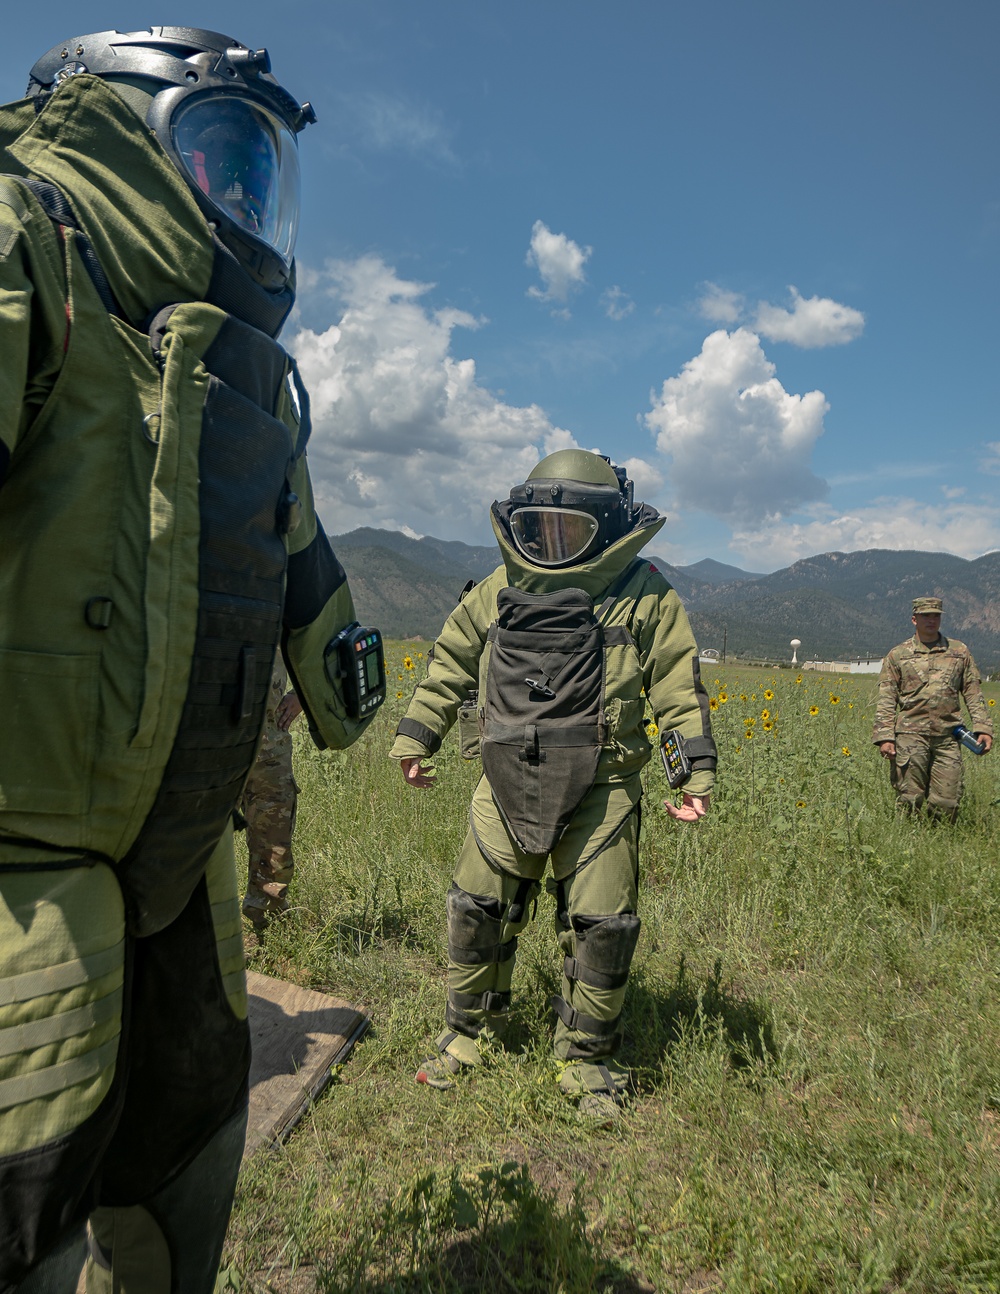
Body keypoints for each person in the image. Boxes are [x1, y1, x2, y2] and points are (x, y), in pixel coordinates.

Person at [0, 29, 377, 1292]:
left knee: (190, 1143)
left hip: (184, 854)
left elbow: (311, 590)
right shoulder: (26, 244)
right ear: (135, 130)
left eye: (256, 172)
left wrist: (355, 688)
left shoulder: (250, 375)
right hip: (27, 870)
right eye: (220, 158)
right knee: (28, 1194)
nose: (242, 200)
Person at [390, 450, 716, 1119]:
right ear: (523, 524)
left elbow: (680, 689)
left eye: (574, 530)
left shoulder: (645, 594)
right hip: (502, 782)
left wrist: (693, 773)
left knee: (601, 927)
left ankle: (586, 1064)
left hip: (604, 788)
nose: (556, 543)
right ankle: (464, 1039)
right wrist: (416, 733)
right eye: (543, 529)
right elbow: (451, 659)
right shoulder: (495, 587)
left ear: (608, 524)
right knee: (476, 912)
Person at [873, 596, 993, 821]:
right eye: (925, 615)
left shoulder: (959, 652)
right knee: (909, 798)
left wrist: (983, 727)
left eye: (936, 615)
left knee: (947, 802)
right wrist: (885, 737)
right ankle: (909, 842)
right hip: (910, 736)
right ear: (914, 619)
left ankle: (941, 839)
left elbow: (972, 692)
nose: (931, 620)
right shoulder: (898, 655)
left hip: (948, 736)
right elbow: (887, 698)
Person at [240, 653, 303, 933]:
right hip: (203, 742)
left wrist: (303, 693)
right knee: (191, 845)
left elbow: (322, 639)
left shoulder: (279, 605)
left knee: (273, 845)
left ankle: (266, 927)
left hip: (268, 748)